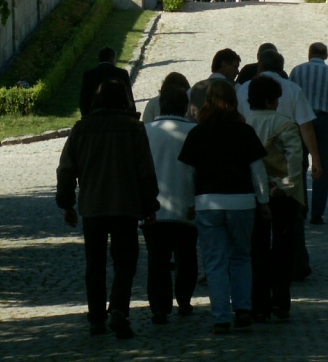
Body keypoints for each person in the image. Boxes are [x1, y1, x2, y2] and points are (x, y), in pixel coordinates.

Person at [56, 80, 160, 338]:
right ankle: (119, 310)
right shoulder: (133, 128)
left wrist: (66, 203)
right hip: (126, 205)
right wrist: (150, 205)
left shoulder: (82, 128)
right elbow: (145, 171)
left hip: (93, 206)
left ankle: (96, 318)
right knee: (125, 262)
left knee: (95, 264)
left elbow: (67, 169)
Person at [178, 80, 270, 334]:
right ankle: (242, 308)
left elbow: (188, 175)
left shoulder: (197, 133)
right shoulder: (244, 131)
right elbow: (257, 170)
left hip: (208, 202)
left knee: (215, 261)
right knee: (241, 256)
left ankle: (220, 316)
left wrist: (189, 204)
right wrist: (263, 201)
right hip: (241, 202)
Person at [238, 48, 321, 280]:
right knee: (290, 225)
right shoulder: (293, 89)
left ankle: (259, 279)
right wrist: (316, 158)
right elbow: (305, 126)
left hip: (253, 174)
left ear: (260, 65)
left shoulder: (245, 88)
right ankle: (294, 265)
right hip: (285, 171)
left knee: (257, 234)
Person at [245, 75, 303, 322]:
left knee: (256, 248)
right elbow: (295, 160)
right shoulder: (286, 124)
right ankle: (280, 297)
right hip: (282, 194)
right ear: (271, 100)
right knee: (283, 246)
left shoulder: (245, 124)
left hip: (254, 194)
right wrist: (286, 185)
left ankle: (258, 301)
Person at [143, 85, 198, 324]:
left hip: (154, 208)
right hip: (187, 205)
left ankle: (159, 306)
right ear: (185, 106)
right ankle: (184, 300)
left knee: (157, 259)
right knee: (187, 256)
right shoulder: (194, 131)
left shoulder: (145, 131)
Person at [289, 42, 328, 225]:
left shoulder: (297, 71)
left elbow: (290, 96)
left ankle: (301, 206)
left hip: (300, 121)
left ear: (309, 54)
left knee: (298, 164)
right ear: (326, 55)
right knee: (322, 165)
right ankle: (317, 212)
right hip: (323, 121)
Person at [80, 46, 136, 117]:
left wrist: (85, 117)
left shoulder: (88, 75)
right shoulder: (121, 73)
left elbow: (84, 99)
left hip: (95, 116)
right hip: (119, 115)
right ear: (112, 59)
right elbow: (129, 95)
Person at [188, 48, 241, 119]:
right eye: (235, 67)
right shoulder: (237, 88)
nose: (237, 72)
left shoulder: (193, 90)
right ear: (224, 65)